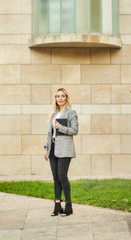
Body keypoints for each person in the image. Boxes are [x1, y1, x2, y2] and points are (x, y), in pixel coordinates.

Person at [44, 88, 78, 217]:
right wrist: (46, 147)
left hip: (65, 149)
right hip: (53, 148)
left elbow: (74, 130)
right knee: (55, 178)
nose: (60, 98)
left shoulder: (71, 113)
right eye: (57, 96)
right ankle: (57, 205)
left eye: (62, 96)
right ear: (55, 99)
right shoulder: (54, 114)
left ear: (66, 98)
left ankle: (68, 206)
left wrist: (61, 128)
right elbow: (50, 133)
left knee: (62, 176)